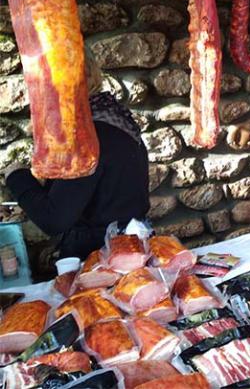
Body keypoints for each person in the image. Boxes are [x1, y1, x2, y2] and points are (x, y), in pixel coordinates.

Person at [3, 52, 150, 260]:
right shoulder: (112, 116)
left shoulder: (84, 135)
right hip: (132, 243)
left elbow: (54, 219)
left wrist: (16, 176)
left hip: (102, 257)